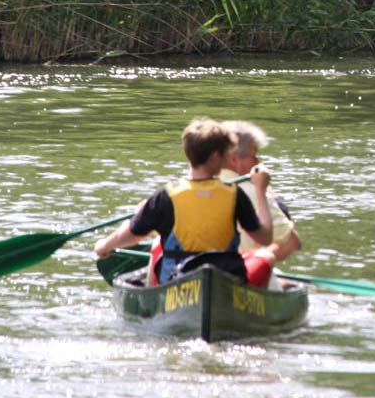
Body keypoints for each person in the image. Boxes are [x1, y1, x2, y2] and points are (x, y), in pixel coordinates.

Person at [93, 117, 274, 286]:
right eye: (225, 154)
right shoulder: (234, 194)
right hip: (226, 277)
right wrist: (260, 191)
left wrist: (105, 245)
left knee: (157, 254)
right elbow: (265, 237)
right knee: (263, 258)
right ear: (214, 157)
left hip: (177, 279)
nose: (229, 158)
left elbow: (134, 233)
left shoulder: (166, 195)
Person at [221, 120, 302, 290]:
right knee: (288, 285)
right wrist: (268, 194)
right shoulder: (254, 193)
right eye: (254, 155)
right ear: (234, 159)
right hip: (243, 277)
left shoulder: (187, 187)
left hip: (195, 272)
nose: (258, 161)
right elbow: (292, 243)